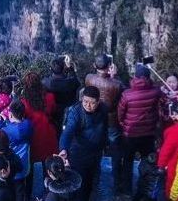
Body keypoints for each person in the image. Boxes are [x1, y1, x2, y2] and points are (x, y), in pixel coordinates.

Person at [116, 64, 162, 198]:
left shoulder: (127, 94)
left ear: (134, 77)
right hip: (148, 134)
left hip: (130, 134)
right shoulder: (155, 92)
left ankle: (127, 190)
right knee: (148, 162)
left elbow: (120, 113)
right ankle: (144, 190)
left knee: (128, 162)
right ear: (148, 78)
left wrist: (123, 124)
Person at [83, 54, 123, 197]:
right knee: (115, 153)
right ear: (109, 66)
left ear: (95, 65)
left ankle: (94, 183)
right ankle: (117, 186)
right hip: (111, 121)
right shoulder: (117, 84)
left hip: (94, 119)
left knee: (95, 150)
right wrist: (114, 76)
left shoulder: (88, 78)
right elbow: (121, 97)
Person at [58, 86, 108, 201]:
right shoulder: (76, 113)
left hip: (96, 154)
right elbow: (68, 132)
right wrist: (63, 149)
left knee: (91, 185)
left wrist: (105, 143)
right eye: (85, 101)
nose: (88, 105)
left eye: (92, 103)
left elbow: (105, 128)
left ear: (98, 102)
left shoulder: (103, 109)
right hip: (79, 155)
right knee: (78, 186)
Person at [17, 72, 59, 177]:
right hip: (48, 133)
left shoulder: (23, 102)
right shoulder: (50, 97)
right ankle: (50, 189)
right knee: (49, 166)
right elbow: (53, 111)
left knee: (30, 166)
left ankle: (30, 191)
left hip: (33, 135)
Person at [0, 101, 32, 201]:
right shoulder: (28, 125)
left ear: (10, 114)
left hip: (9, 168)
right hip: (24, 167)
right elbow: (17, 128)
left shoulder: (5, 130)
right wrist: (8, 121)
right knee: (20, 193)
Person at [42, 57, 81, 133]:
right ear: (64, 69)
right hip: (67, 111)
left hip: (52, 112)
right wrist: (70, 68)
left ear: (50, 69)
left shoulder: (45, 82)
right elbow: (77, 82)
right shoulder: (70, 82)